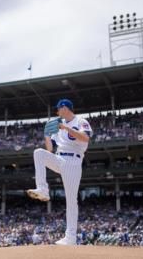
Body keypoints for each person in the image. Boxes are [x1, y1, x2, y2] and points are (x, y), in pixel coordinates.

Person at [27, 98, 91, 245]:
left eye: (58, 109)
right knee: (39, 153)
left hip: (73, 161)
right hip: (59, 158)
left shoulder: (80, 121)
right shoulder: (59, 126)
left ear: (65, 108)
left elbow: (85, 138)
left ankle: (70, 237)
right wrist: (47, 135)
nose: (57, 112)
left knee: (71, 201)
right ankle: (43, 189)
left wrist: (65, 128)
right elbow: (50, 149)